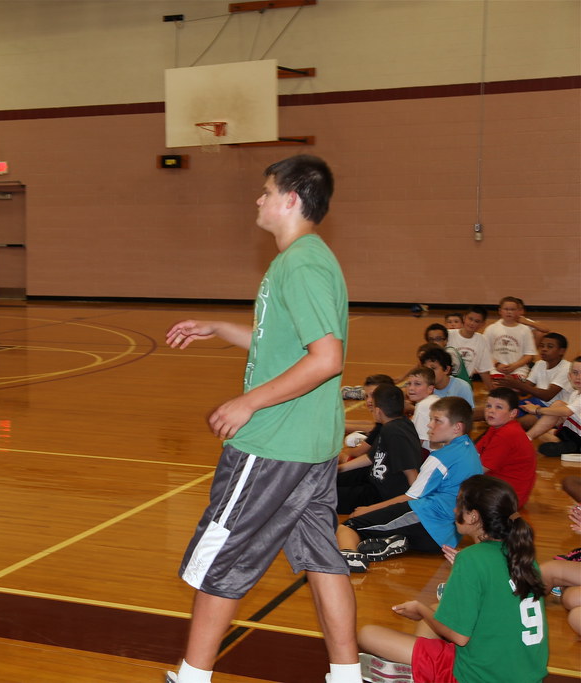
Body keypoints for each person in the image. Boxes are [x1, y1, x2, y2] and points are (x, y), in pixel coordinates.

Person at [165, 155, 359, 683]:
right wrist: (218, 327)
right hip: (314, 446)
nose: (259, 199)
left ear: (291, 199)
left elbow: (326, 359)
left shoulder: (300, 263)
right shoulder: (312, 259)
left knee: (218, 559)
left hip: (274, 446)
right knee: (323, 559)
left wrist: (249, 402)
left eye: (266, 191)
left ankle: (192, 675)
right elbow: (288, 346)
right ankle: (346, 675)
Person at [357, 475, 548, 683]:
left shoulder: (472, 558)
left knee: (367, 634)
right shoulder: (523, 555)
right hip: (523, 674)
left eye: (459, 504)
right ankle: (419, 671)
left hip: (476, 676)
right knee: (437, 609)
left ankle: (421, 674)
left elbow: (459, 637)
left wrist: (420, 610)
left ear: (473, 516)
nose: (454, 510)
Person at [337, 397, 483, 572]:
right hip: (447, 537)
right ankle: (395, 539)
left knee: (348, 526)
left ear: (457, 427)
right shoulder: (470, 451)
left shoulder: (441, 458)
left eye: (437, 420)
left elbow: (410, 496)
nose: (429, 425)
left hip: (428, 522)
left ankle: (349, 555)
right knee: (380, 525)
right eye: (431, 419)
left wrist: (370, 509)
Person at [336, 383, 421, 514]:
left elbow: (412, 474)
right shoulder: (393, 425)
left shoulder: (395, 432)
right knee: (330, 481)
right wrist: (340, 469)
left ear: (378, 411)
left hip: (381, 495)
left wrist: (412, 509)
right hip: (373, 481)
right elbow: (371, 457)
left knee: (328, 495)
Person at [474, 387, 536, 507]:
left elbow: (479, 469)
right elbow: (473, 453)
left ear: (513, 413)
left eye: (499, 407)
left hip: (506, 498)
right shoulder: (496, 427)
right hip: (500, 489)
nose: (491, 411)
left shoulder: (507, 434)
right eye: (488, 406)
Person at [495, 332, 570, 429]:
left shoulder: (567, 368)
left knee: (515, 423)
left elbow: (547, 396)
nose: (544, 349)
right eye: (542, 346)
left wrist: (518, 385)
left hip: (553, 410)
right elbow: (525, 390)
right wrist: (509, 384)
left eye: (550, 346)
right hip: (535, 402)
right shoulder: (540, 364)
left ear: (561, 351)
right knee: (498, 412)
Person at [522, 356, 581, 458]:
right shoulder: (574, 394)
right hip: (573, 434)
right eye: (575, 373)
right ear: (569, 376)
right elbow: (560, 418)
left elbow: (566, 412)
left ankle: (525, 439)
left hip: (577, 436)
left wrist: (537, 410)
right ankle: (570, 447)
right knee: (543, 434)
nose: (578, 377)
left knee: (558, 406)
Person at [483, 296, 537, 379]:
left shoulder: (525, 330)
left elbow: (529, 355)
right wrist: (497, 365)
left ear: (519, 311)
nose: (509, 312)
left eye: (512, 309)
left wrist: (514, 366)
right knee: (498, 389)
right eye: (506, 309)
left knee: (515, 389)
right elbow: (485, 352)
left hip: (519, 370)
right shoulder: (491, 329)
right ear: (500, 311)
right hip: (496, 369)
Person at [448, 306, 495, 390]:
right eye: (470, 319)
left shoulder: (482, 340)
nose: (472, 323)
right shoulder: (448, 335)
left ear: (482, 324)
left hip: (464, 384)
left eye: (477, 321)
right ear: (464, 318)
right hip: (444, 381)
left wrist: (492, 391)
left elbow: (484, 370)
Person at [405, 366, 438, 449]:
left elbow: (418, 442)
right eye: (409, 384)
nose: (411, 388)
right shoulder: (434, 399)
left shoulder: (424, 405)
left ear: (430, 389)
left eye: (417, 384)